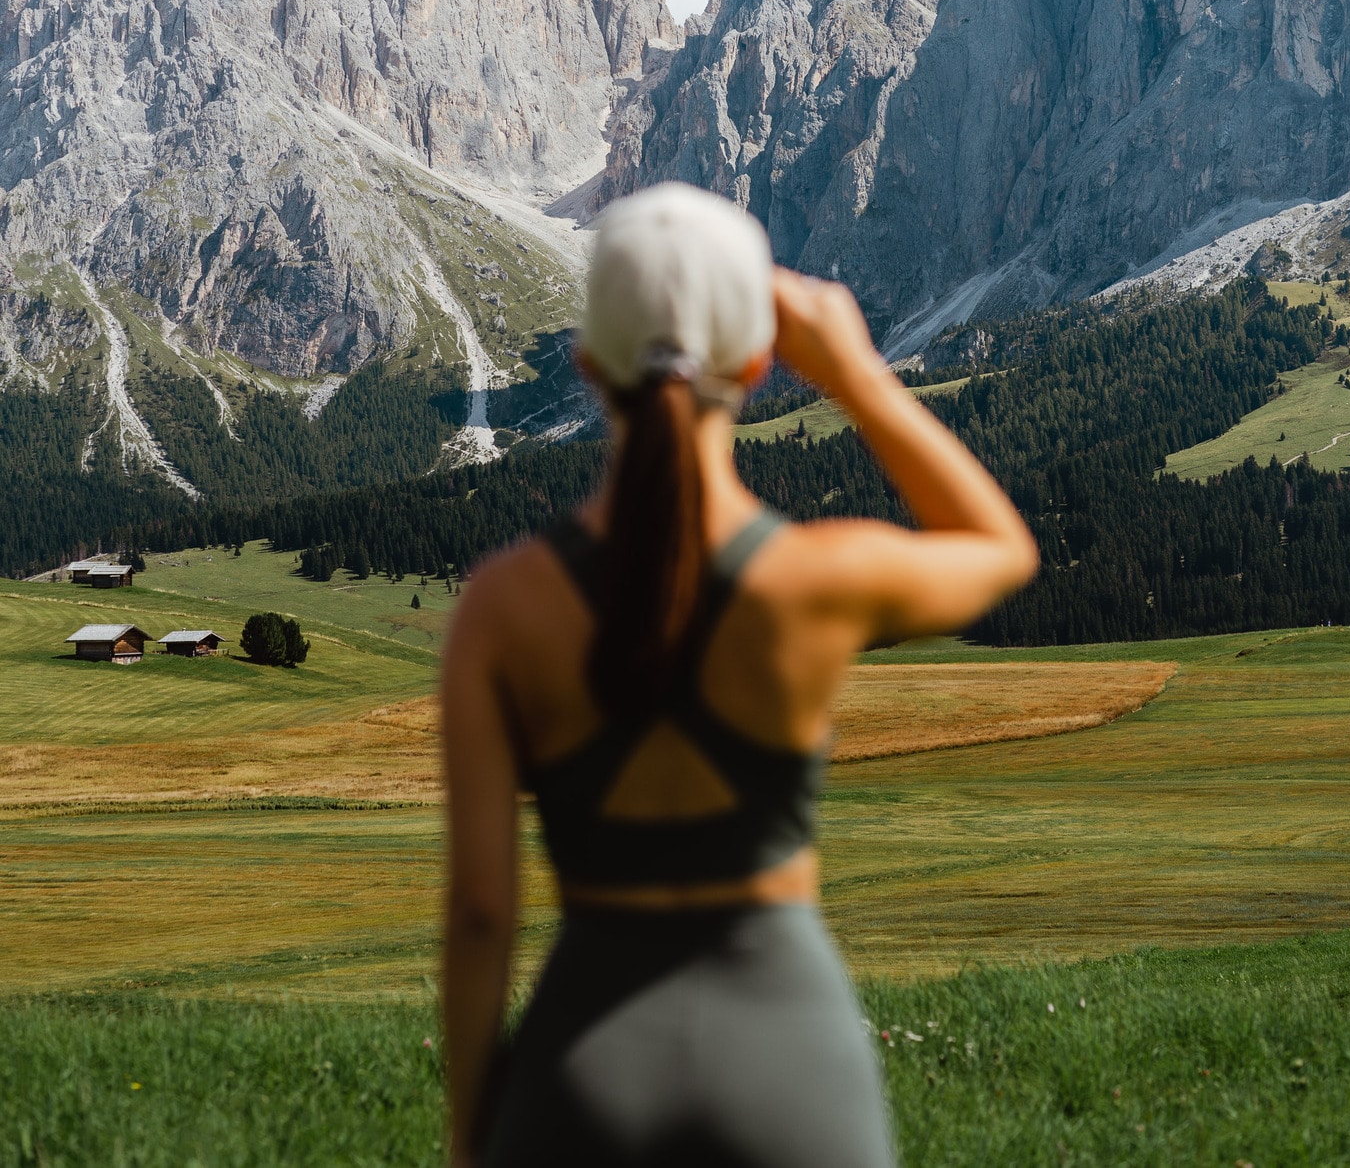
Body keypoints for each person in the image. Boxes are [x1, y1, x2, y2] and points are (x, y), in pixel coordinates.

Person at [441, 184, 1038, 1167]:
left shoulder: (501, 608)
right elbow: (999, 548)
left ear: (590, 366)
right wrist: (856, 374)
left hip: (580, 1067)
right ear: (758, 364)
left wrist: (473, 1136)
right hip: (792, 1058)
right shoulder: (816, 578)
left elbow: (479, 911)